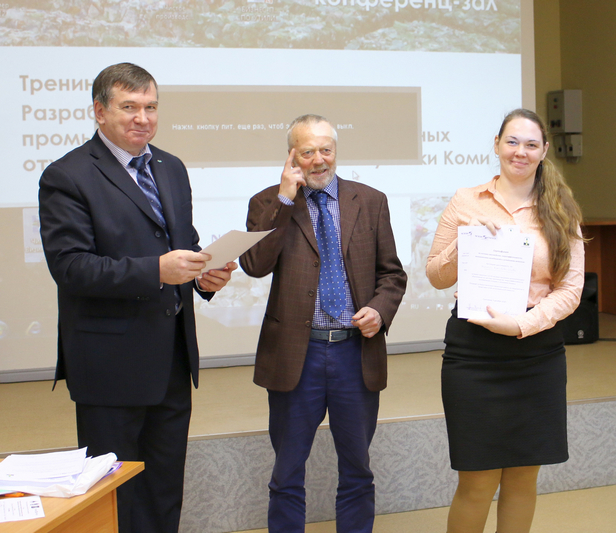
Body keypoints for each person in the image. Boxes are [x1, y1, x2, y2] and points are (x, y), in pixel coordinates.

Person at [38, 62, 237, 533]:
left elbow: (182, 243)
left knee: (164, 487)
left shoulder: (171, 167)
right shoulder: (67, 175)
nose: (142, 118)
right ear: (99, 111)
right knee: (115, 495)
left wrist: (203, 277)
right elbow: (71, 268)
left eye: (150, 107)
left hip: (171, 361)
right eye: (129, 107)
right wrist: (157, 270)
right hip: (109, 367)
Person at [240, 114, 407, 532]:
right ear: (291, 156)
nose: (318, 160)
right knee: (286, 472)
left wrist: (379, 309)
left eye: (326, 150)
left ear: (336, 151)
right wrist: (284, 199)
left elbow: (392, 274)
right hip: (297, 355)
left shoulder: (370, 201)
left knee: (357, 469)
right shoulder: (267, 202)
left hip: (355, 353)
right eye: (307, 152)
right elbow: (255, 264)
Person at [426, 108, 585, 533]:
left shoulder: (562, 209)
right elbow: (436, 276)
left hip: (537, 354)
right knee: (477, 481)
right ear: (496, 145)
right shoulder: (466, 200)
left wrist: (521, 325)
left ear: (544, 151)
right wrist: (464, 244)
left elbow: (570, 290)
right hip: (473, 355)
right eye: (512, 142)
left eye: (531, 144)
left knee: (523, 477)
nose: (520, 151)